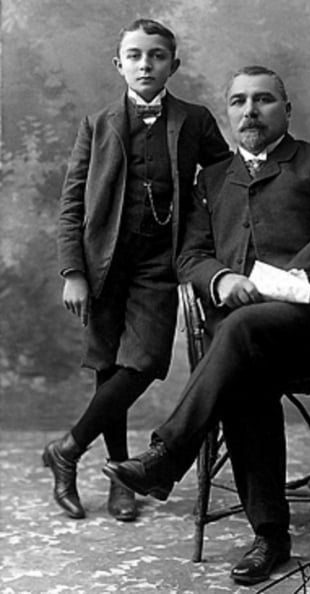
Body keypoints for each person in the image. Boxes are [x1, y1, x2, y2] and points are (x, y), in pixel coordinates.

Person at [103, 65, 310, 585]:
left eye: (263, 99)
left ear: (286, 110)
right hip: (242, 339)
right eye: (239, 101)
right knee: (243, 369)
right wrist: (220, 279)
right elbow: (190, 256)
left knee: (238, 334)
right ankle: (270, 536)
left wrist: (273, 283)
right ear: (228, 113)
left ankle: (166, 455)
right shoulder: (213, 177)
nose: (250, 111)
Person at [42, 18, 230, 523]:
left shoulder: (194, 120)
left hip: (160, 261)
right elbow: (71, 204)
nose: (145, 64)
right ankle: (119, 478)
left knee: (142, 361)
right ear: (119, 64)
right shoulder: (98, 123)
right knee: (109, 366)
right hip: (104, 260)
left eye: (157, 56)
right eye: (135, 56)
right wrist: (73, 272)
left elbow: (226, 180)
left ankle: (67, 448)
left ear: (174, 64)